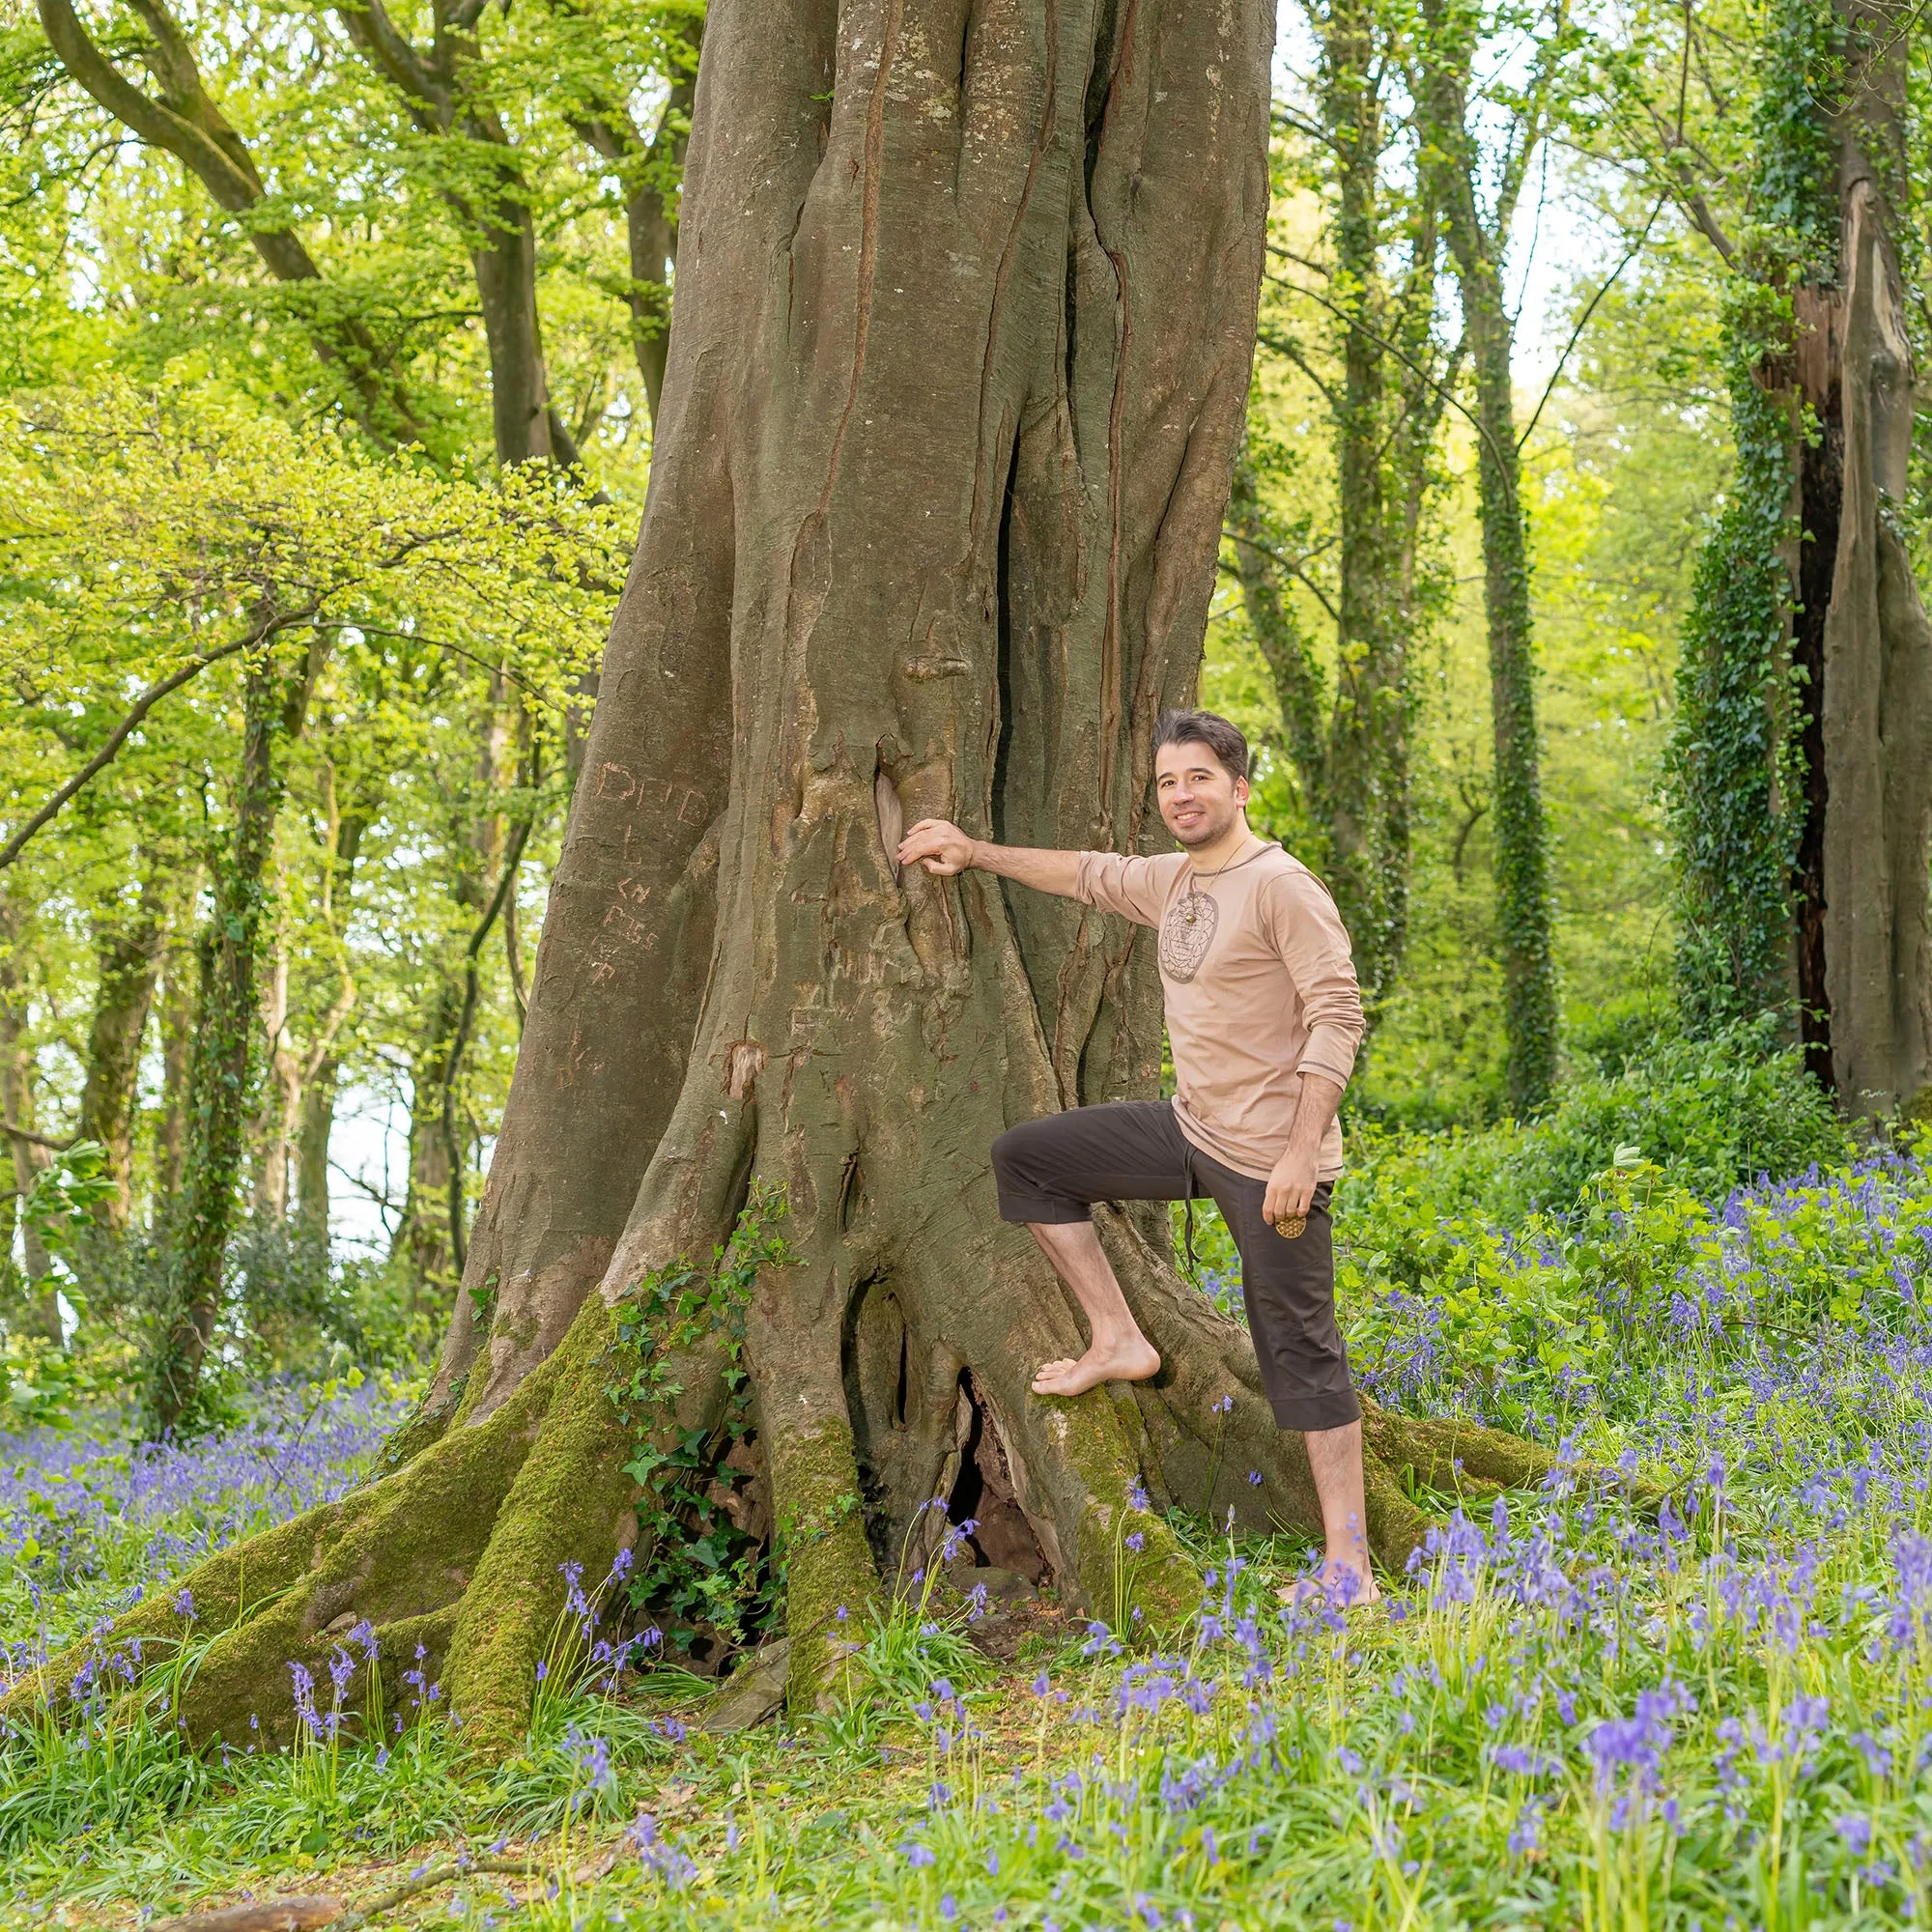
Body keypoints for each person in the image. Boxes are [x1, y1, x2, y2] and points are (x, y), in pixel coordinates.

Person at [895, 708, 1377, 1605]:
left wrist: (1303, 1154)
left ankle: (1348, 1567)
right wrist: (973, 850)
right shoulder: (1175, 882)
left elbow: (1338, 1017)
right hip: (1192, 1129)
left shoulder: (1283, 887)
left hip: (1273, 1160)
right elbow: (1087, 874)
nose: (1181, 795)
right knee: (1029, 1160)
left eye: (1198, 778)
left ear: (1238, 787)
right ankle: (1118, 1336)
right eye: (1166, 782)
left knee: (1300, 1351)